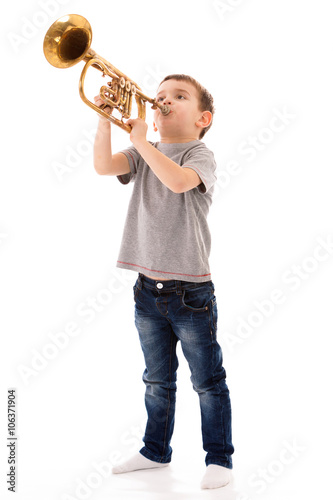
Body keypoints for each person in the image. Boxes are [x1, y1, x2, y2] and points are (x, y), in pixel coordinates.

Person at [93, 74, 234, 489]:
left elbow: (176, 182)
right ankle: (155, 451)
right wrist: (105, 121)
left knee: (207, 381)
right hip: (146, 291)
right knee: (157, 379)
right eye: (159, 98)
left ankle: (220, 459)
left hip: (191, 293)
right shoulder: (145, 151)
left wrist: (139, 142)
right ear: (153, 118)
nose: (164, 101)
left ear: (202, 118)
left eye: (179, 96)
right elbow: (104, 166)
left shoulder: (198, 154)